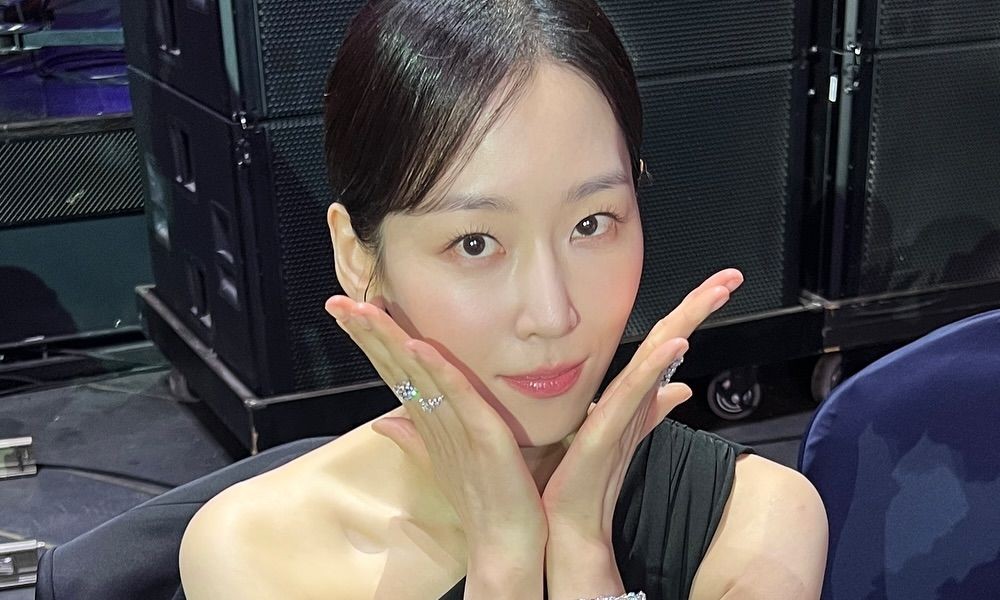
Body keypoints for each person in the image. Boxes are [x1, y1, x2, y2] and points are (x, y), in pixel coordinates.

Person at [177, 1, 828, 598]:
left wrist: (583, 554)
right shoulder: (258, 553)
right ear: (358, 256)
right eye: (475, 243)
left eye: (591, 224)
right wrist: (505, 562)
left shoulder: (759, 524)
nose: (552, 315)